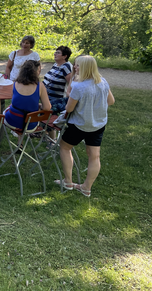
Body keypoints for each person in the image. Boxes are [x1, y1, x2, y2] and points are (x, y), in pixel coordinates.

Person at [58, 56, 115, 197]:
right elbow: (111, 101)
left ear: (84, 67)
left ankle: (68, 181)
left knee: (65, 147)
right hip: (99, 124)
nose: (74, 67)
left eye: (77, 65)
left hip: (80, 124)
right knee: (94, 156)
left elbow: (69, 108)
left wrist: (71, 91)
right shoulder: (103, 82)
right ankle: (86, 188)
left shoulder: (79, 87)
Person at [4, 60, 51, 133]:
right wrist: (39, 105)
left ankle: (20, 140)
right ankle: (20, 141)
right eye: (39, 70)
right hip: (30, 125)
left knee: (8, 109)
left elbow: (14, 102)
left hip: (12, 122)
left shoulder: (15, 83)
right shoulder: (40, 85)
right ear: (36, 72)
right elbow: (47, 107)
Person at [43, 46, 73, 114]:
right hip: (47, 98)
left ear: (64, 56)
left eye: (58, 53)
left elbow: (71, 84)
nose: (54, 54)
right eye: (55, 52)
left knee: (47, 118)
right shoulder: (56, 65)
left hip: (56, 101)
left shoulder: (66, 67)